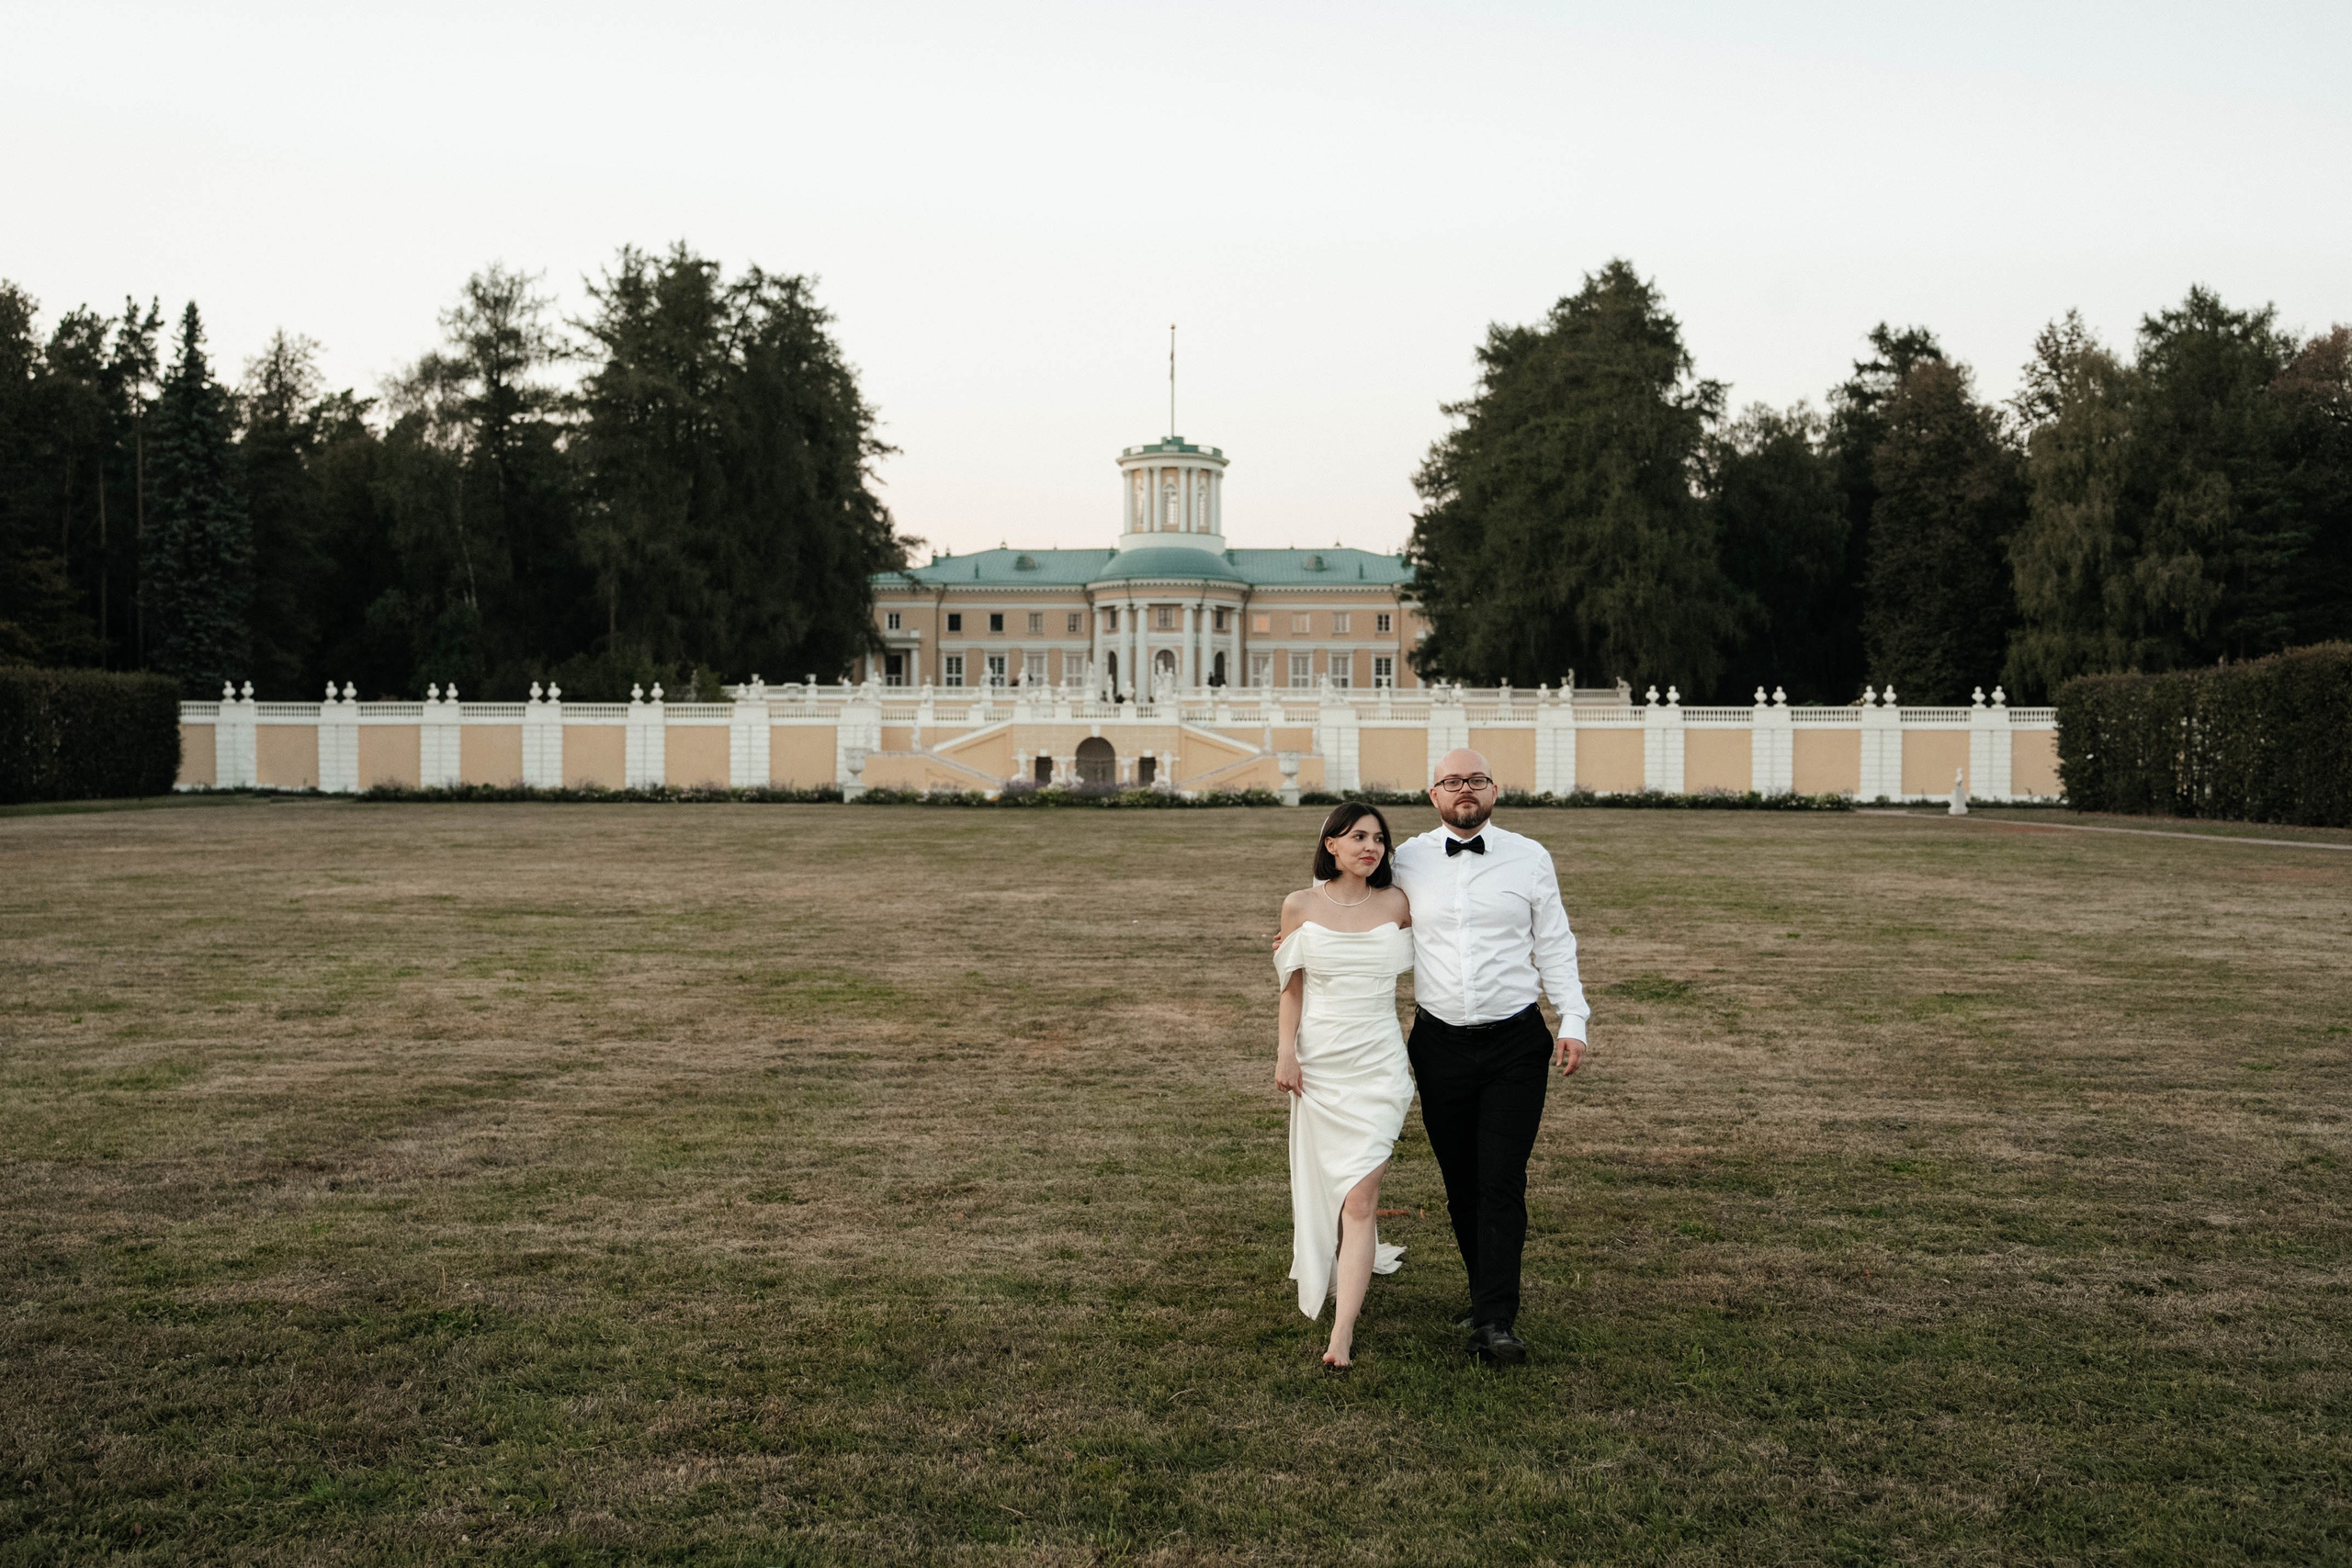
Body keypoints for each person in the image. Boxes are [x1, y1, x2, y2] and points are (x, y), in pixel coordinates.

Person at [1391, 748, 1589, 1366]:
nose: (1465, 790)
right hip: (1439, 1042)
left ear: (1494, 790)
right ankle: (1486, 1296)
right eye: (1452, 782)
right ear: (1434, 795)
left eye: (1475, 780)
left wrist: (1573, 1019)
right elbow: (1352, 893)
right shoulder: (1407, 860)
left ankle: (1497, 1320)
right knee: (1460, 1184)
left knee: (1500, 1178)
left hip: (1515, 1042)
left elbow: (1555, 942)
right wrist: (1304, 925)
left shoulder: (1530, 857)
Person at [1272, 802, 1417, 1370]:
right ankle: (1338, 1267)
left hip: (1379, 1064)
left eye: (1379, 839)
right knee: (1334, 1187)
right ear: (1331, 843)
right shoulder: (1300, 905)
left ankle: (1342, 1334)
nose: (1370, 847)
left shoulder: (1399, 904)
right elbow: (1291, 986)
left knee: (1360, 1198)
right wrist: (1287, 1052)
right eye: (1358, 836)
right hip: (1321, 1062)